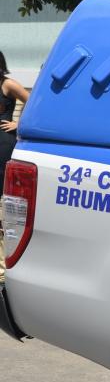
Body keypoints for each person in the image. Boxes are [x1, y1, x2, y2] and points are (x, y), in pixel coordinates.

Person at [0, 51, 28, 282]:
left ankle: (3, 267)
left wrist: (18, 123)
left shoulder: (7, 84)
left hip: (3, 145)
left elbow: (33, 100)